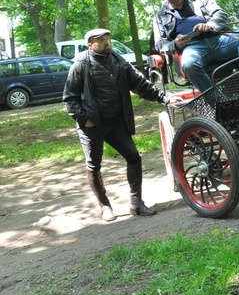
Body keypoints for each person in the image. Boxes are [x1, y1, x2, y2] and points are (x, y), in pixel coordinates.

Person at [63, 28, 182, 222]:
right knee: (94, 165)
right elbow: (69, 99)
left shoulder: (118, 61)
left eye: (107, 38)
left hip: (116, 122)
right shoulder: (81, 64)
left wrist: (164, 98)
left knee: (134, 157)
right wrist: (85, 120)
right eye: (100, 40)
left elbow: (141, 85)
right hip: (92, 125)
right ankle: (105, 207)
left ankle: (136, 204)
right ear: (90, 44)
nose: (106, 42)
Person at [153, 0, 239, 93]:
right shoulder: (159, 17)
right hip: (193, 48)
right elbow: (160, 45)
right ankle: (215, 100)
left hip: (219, 40)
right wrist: (175, 44)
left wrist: (210, 25)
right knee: (189, 65)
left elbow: (220, 13)